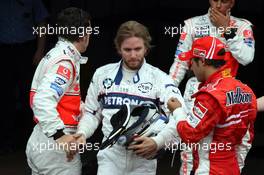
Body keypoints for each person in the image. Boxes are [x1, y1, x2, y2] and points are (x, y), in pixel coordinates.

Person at [75, 20, 185, 175]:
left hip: (144, 160)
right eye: (127, 49)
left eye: (138, 49)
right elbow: (91, 113)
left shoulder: (160, 78)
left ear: (146, 48)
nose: (133, 55)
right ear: (119, 48)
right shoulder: (102, 74)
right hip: (110, 156)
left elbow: (180, 116)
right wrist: (82, 133)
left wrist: (157, 142)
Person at [169, 0, 255, 174]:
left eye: (223, 1)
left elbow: (247, 58)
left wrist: (227, 30)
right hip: (197, 92)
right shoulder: (192, 24)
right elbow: (180, 64)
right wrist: (168, 93)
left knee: (235, 146)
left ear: (232, 2)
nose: (217, 5)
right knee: (189, 150)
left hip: (228, 95)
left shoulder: (242, 26)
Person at [25, 7, 91, 175]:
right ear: (83, 34)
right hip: (56, 149)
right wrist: (60, 135)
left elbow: (65, 99)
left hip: (42, 137)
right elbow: (42, 100)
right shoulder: (65, 61)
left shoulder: (58, 54)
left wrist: (84, 110)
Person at [0, 0, 48, 155]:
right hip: (4, 50)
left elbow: (42, 23)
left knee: (29, 95)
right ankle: (6, 141)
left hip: (26, 50)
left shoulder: (32, 1)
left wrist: (40, 50)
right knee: (4, 97)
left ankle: (31, 139)